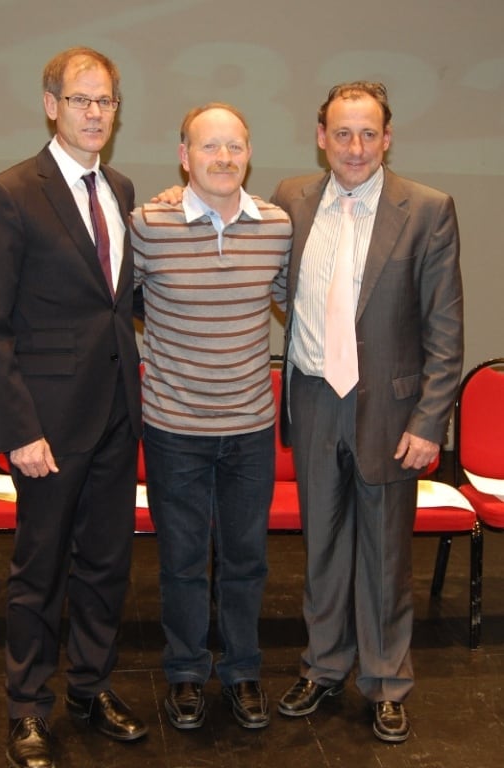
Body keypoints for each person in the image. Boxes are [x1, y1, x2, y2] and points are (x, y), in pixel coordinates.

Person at [0, 47, 147, 768]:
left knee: (106, 564)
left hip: (114, 414)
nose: (94, 113)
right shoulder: (9, 193)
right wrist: (19, 431)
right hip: (46, 425)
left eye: (104, 101)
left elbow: (119, 305)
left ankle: (89, 688)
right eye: (81, 100)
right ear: (51, 104)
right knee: (39, 572)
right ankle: (27, 708)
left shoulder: (124, 189)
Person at [272, 81, 463, 742]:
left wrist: (427, 422)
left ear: (386, 138)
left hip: (391, 410)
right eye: (341, 133)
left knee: (384, 555)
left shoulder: (428, 210)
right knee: (321, 548)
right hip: (314, 397)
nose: (354, 147)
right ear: (320, 136)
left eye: (367, 133)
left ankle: (383, 680)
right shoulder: (288, 200)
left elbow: (445, 329)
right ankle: (323, 667)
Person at [131, 103, 291, 731]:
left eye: (235, 147)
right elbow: (122, 301)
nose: (223, 158)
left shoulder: (277, 226)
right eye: (209, 147)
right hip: (173, 428)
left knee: (248, 558)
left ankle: (244, 671)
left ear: (249, 154)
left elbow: (291, 301)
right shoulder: (148, 223)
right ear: (184, 155)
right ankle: (187, 674)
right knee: (181, 561)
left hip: (251, 428)